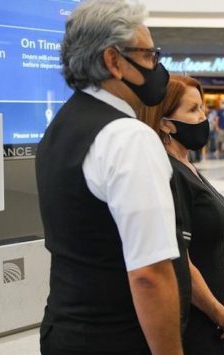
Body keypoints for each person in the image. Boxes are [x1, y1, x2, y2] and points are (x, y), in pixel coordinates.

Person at [35, 1, 188, 354]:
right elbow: (150, 273)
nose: (157, 66)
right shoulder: (128, 137)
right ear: (113, 61)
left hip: (66, 330)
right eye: (149, 55)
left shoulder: (60, 127)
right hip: (119, 338)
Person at [138, 75, 224, 354]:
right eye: (192, 110)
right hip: (190, 320)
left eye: (202, 108)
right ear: (165, 123)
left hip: (210, 314)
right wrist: (219, 314)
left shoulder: (187, 165)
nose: (203, 117)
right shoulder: (168, 172)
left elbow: (207, 249)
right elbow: (181, 261)